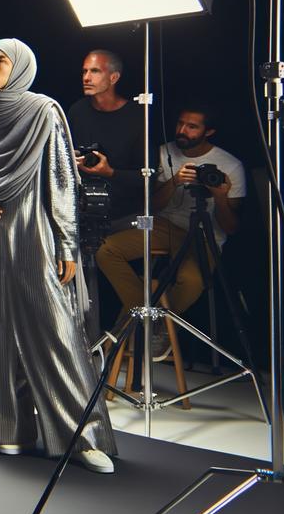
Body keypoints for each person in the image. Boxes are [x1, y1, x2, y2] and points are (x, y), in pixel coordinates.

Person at [0, 38, 117, 474]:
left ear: (19, 68)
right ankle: (9, 428)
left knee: (58, 336)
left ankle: (82, 436)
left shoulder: (43, 112)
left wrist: (66, 243)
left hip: (37, 235)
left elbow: (63, 180)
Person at [95, 104, 245, 359]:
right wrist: (174, 181)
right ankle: (146, 318)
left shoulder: (230, 165)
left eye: (192, 126)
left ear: (209, 131)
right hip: (162, 225)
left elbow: (230, 227)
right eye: (180, 124)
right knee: (105, 249)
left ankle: (155, 323)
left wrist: (220, 197)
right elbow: (150, 206)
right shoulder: (164, 153)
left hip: (203, 232)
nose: (182, 131)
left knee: (193, 281)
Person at [66, 49, 145, 223]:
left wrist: (110, 172)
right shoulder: (77, 111)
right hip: (81, 208)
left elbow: (148, 178)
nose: (86, 78)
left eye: (95, 71)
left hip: (124, 214)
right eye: (84, 71)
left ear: (114, 78)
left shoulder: (138, 117)